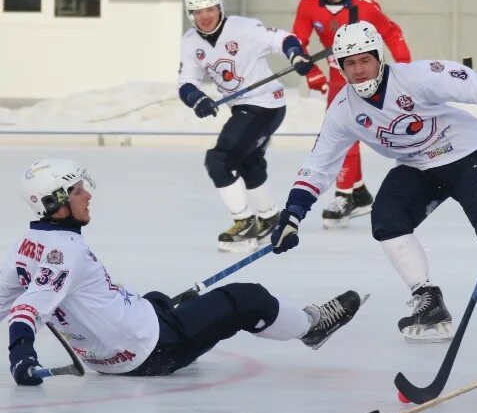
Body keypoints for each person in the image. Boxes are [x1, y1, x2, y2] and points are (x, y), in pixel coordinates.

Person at [269, 21, 477, 343]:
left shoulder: (415, 77)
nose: (359, 70)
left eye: (364, 60)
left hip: (465, 152)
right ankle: (428, 300)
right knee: (386, 218)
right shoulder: (343, 109)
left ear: (379, 57)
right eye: (350, 63)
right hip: (418, 165)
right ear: (340, 68)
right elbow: (318, 164)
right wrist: (293, 213)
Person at [3, 159, 363, 386]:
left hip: (115, 351)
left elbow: (8, 299)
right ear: (55, 203)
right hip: (154, 349)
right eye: (77, 191)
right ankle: (310, 327)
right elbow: (28, 309)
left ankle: (160, 311)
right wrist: (21, 354)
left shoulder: (26, 245)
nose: (88, 196)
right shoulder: (66, 253)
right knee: (246, 298)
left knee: (157, 299)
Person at [178, 0, 313, 253]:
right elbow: (186, 82)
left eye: (210, 9)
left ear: (220, 8)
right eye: (198, 11)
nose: (204, 17)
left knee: (219, 160)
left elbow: (283, 39)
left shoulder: (244, 28)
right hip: (242, 108)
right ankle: (269, 218)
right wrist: (198, 99)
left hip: (265, 106)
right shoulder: (191, 42)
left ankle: (244, 222)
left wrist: (296, 56)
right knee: (249, 161)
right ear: (190, 14)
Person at [292, 0, 412, 228]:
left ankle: (345, 193)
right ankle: (355, 191)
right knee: (343, 129)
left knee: (351, 128)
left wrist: (404, 68)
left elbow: (392, 33)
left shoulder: (365, 7)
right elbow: (297, 43)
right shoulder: (309, 5)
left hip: (364, 74)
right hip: (338, 77)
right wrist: (310, 73)